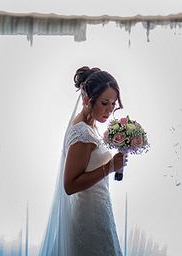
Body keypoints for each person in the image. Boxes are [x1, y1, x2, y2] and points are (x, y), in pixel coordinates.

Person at [39, 66, 127, 256]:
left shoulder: (90, 125)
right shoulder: (82, 133)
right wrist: (110, 166)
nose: (109, 110)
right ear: (87, 100)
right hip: (89, 217)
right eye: (104, 103)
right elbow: (69, 185)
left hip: (98, 209)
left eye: (113, 103)